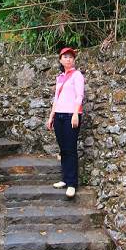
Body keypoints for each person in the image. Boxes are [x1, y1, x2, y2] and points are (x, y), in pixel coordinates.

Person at [46, 47, 85, 198]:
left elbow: (79, 95)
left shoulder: (77, 75)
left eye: (71, 57)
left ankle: (72, 184)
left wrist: (76, 113)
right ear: (60, 60)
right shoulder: (60, 77)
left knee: (70, 148)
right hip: (59, 116)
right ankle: (64, 178)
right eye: (65, 57)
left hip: (71, 115)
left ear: (74, 60)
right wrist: (51, 116)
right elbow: (56, 98)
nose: (68, 59)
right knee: (63, 149)